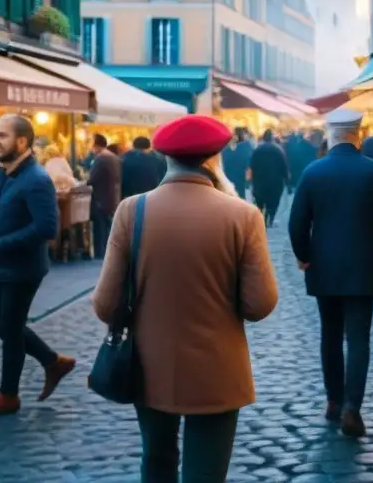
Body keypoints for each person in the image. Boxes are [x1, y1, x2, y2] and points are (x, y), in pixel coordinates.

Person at [93, 115, 279, 482]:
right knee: (205, 473)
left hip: (149, 365)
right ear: (214, 158)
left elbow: (105, 304)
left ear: (166, 158)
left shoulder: (132, 210)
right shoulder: (242, 215)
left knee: (157, 461)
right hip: (219, 368)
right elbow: (260, 304)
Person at [288, 108, 373, 438]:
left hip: (324, 267)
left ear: (330, 133)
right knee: (358, 338)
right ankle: (353, 406)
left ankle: (333, 401)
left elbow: (297, 223)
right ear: (358, 132)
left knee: (329, 333)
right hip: (362, 266)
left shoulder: (313, 172)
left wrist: (304, 256)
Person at [0, 114, 76, 418]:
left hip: (20, 269)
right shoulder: (8, 173)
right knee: (3, 327)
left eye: (3, 135)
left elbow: (46, 228)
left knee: (10, 330)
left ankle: (8, 396)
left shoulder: (36, 180)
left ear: (23, 141)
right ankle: (54, 362)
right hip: (2, 265)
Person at [87, 133, 122, 259]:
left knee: (99, 227)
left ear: (95, 143)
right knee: (107, 226)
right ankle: (109, 252)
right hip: (111, 196)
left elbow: (92, 179)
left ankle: (99, 253)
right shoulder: (112, 157)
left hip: (100, 197)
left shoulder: (100, 158)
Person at [249, 130, 290, 227]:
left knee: (259, 201)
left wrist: (251, 179)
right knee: (273, 201)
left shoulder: (257, 150)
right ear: (272, 138)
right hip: (275, 180)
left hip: (259, 180)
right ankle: (270, 218)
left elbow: (252, 165)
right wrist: (287, 179)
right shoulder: (278, 150)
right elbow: (284, 165)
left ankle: (260, 218)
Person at [221, 127, 254, 201]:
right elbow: (250, 164)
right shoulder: (247, 146)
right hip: (241, 178)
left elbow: (223, 163)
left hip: (229, 178)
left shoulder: (226, 148)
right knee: (241, 198)